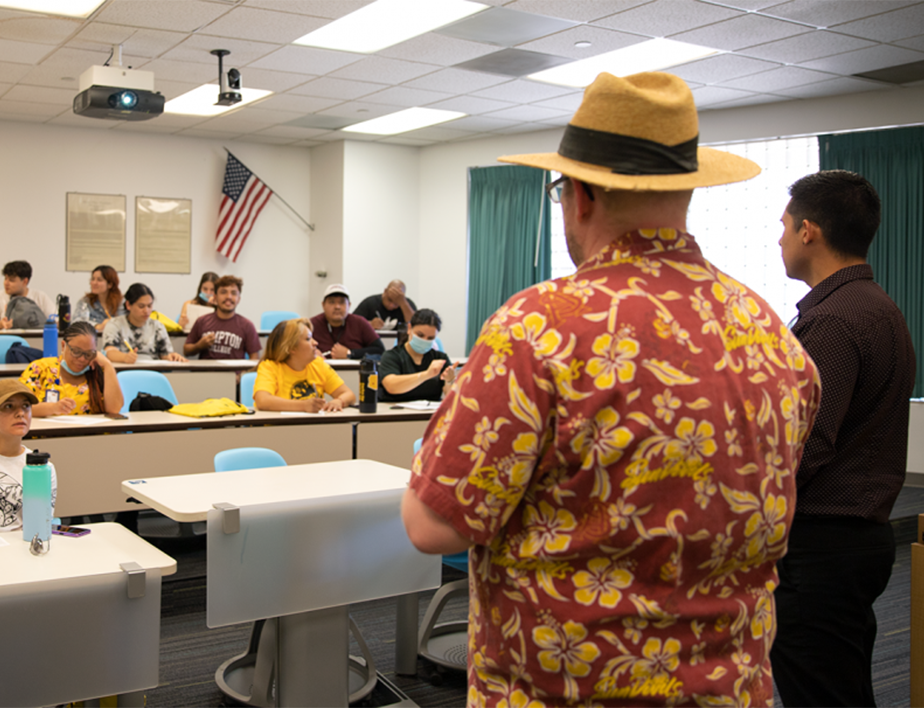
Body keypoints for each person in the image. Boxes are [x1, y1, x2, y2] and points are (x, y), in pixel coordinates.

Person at [401, 71, 821, 707]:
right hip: (730, 690)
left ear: (582, 196)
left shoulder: (537, 328)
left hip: (566, 690)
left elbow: (433, 527)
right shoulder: (771, 333)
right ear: (685, 192)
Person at [771, 170, 915, 708]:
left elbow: (806, 445)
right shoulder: (876, 306)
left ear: (809, 231)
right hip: (854, 543)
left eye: (784, 226)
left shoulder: (832, 322)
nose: (779, 239)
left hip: (822, 549)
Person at [0, 380, 56, 532]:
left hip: (14, 546)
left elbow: (37, 526)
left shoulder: (41, 469)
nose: (20, 413)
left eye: (25, 406)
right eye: (8, 406)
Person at [20, 320, 125, 416]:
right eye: (76, 352)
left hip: (91, 435)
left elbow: (114, 410)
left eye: (88, 354)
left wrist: (108, 365)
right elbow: (20, 408)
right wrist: (52, 408)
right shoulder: (40, 368)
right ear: (63, 346)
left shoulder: (99, 371)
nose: (82, 359)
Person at [253, 317, 355, 412]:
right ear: (291, 348)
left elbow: (349, 394)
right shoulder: (270, 367)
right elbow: (262, 400)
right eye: (308, 339)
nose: (315, 343)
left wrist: (339, 401)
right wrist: (303, 406)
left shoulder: (319, 365)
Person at [379, 309, 455, 402]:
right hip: (395, 413)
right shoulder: (392, 356)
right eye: (420, 335)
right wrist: (426, 375)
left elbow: (451, 397)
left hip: (429, 413)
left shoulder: (440, 359)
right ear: (409, 328)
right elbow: (391, 386)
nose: (424, 340)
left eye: (430, 338)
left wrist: (450, 380)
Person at [103, 283, 187, 363]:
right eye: (141, 306)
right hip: (123, 371)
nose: (146, 311)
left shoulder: (157, 326)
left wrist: (172, 356)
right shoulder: (115, 324)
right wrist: (124, 357)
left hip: (152, 371)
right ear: (128, 305)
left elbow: (165, 354)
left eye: (149, 306)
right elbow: (110, 352)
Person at [184, 275, 260, 360]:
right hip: (205, 372)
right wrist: (198, 346)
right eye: (223, 292)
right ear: (215, 297)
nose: (229, 297)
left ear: (239, 299)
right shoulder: (202, 321)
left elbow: (255, 358)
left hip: (234, 373)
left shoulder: (247, 325)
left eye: (234, 293)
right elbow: (186, 351)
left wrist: (244, 373)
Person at [309, 284, 384, 360]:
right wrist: (312, 353)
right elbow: (297, 349)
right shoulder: (311, 324)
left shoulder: (360, 323)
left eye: (342, 302)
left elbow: (380, 350)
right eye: (332, 302)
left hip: (354, 371)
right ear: (323, 305)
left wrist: (350, 353)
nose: (337, 307)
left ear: (349, 305)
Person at [0, 260, 54, 330]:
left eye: (11, 280)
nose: (6, 283)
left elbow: (56, 322)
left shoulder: (40, 297)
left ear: (25, 281)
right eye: (5, 278)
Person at [71, 265, 125, 332]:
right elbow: (76, 322)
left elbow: (126, 323)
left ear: (110, 284)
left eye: (99, 280)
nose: (94, 283)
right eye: (93, 279)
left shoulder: (121, 302)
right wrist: (97, 326)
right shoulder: (85, 301)